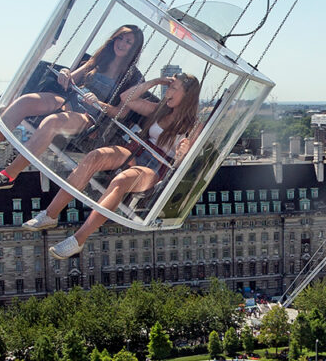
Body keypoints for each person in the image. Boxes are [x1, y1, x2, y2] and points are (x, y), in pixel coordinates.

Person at [19, 74, 201, 259]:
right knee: (94, 157)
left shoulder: (194, 126)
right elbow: (127, 99)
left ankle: (78, 240)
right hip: (137, 152)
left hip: (157, 166)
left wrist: (183, 154)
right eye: (168, 87)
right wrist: (156, 82)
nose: (168, 92)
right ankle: (50, 214)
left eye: (173, 88)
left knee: (122, 180)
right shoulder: (160, 111)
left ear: (187, 95)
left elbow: (187, 164)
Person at [0, 25, 145, 190]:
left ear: (134, 48)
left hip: (89, 116)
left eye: (128, 42)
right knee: (25, 101)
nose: (122, 44)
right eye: (120, 38)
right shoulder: (100, 58)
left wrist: (98, 103)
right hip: (69, 99)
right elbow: (72, 78)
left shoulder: (132, 77)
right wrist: (65, 74)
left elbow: (121, 113)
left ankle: (8, 175)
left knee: (52, 122)